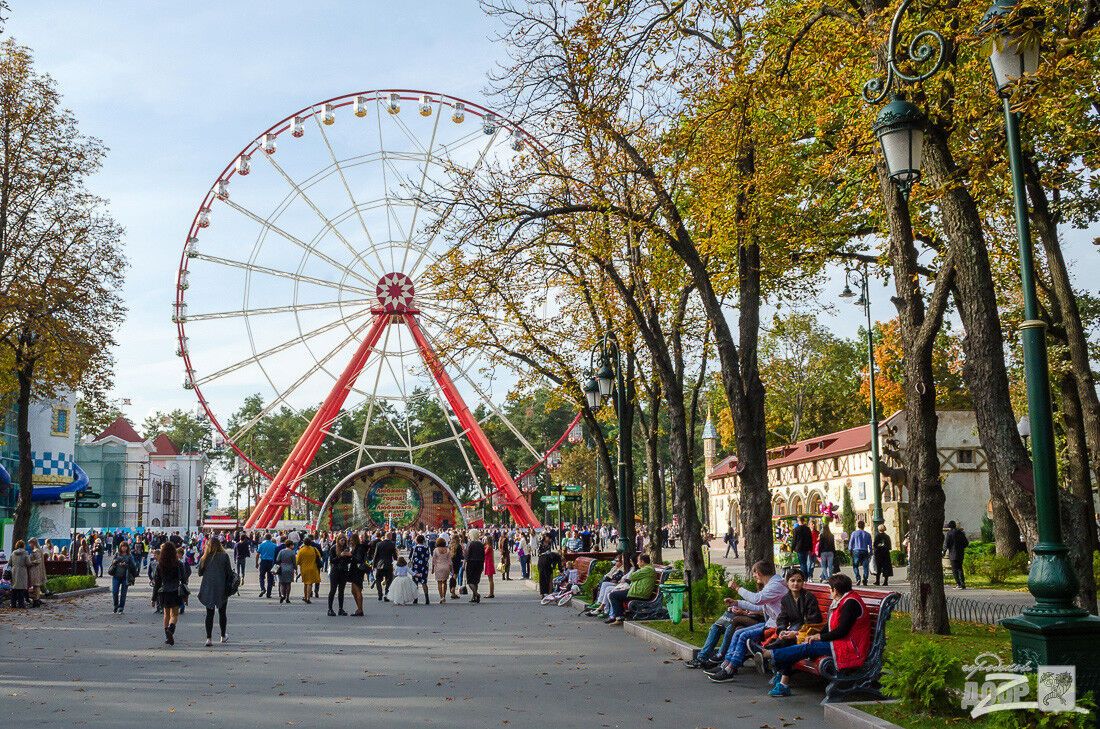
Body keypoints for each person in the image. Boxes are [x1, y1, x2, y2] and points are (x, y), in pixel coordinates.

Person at [760, 574, 872, 697]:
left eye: (830, 588)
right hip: (840, 643)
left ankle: (770, 655)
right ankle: (782, 682)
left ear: (835, 590)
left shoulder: (850, 603)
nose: (830, 591)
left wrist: (819, 637)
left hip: (850, 648)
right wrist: (815, 635)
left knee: (808, 646)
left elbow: (842, 631)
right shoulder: (843, 600)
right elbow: (830, 627)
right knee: (803, 643)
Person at [706, 561, 788, 681]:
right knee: (738, 632)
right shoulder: (773, 584)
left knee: (743, 635)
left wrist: (737, 588)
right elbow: (760, 606)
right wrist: (737, 603)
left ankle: (730, 669)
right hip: (771, 623)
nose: (754, 578)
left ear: (758, 573)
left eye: (754, 575)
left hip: (778, 626)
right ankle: (725, 665)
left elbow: (757, 599)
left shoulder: (776, 585)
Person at [198, 537, 235, 646]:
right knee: (222, 612)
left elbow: (200, 572)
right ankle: (223, 636)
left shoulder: (204, 558)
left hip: (208, 587)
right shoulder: (224, 556)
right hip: (222, 587)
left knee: (209, 613)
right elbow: (229, 573)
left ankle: (209, 638)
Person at [605, 554, 657, 626]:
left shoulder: (647, 569)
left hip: (639, 593)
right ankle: (620, 616)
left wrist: (633, 568)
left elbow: (631, 576)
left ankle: (619, 618)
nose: (637, 563)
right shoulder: (646, 569)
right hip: (636, 592)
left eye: (638, 561)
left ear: (642, 561)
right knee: (615, 594)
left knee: (613, 595)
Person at [152, 542, 182, 645]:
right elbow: (184, 578)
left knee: (166, 614)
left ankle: (167, 635)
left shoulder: (160, 565)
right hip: (175, 591)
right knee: (174, 614)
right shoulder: (178, 564)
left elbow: (157, 582)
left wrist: (153, 597)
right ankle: (171, 629)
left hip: (164, 591)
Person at [108, 541, 139, 614]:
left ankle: (121, 608)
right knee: (115, 592)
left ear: (127, 547)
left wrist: (127, 565)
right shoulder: (117, 554)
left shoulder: (129, 555)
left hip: (125, 576)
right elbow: (113, 562)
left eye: (125, 546)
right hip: (116, 576)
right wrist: (117, 562)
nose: (124, 548)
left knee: (123, 593)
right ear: (120, 547)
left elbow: (133, 566)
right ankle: (115, 605)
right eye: (122, 546)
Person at [327, 535, 352, 616]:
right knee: (333, 590)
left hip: (344, 571)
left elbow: (348, 561)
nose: (343, 542)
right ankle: (330, 609)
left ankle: (341, 609)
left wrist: (349, 556)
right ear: (338, 540)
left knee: (341, 591)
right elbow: (332, 561)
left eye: (344, 540)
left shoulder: (346, 548)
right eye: (341, 540)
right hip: (335, 571)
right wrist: (340, 556)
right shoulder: (333, 548)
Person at [943, 520, 969, 590]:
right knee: (960, 568)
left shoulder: (949, 533)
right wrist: (961, 547)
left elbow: (946, 544)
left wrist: (944, 552)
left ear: (949, 527)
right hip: (960, 553)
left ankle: (958, 584)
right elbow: (966, 543)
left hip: (953, 554)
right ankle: (963, 583)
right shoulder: (961, 533)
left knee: (954, 570)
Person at [373, 532, 398, 602]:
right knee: (388, 580)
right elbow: (395, 555)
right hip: (389, 565)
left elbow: (375, 555)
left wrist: (373, 565)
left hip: (379, 565)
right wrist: (396, 563)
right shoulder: (392, 544)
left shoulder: (379, 544)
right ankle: (386, 595)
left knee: (378, 579)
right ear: (390, 536)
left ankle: (380, 593)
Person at [295, 536, 321, 604]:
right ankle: (308, 598)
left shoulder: (301, 550)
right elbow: (319, 557)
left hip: (304, 569)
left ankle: (305, 596)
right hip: (313, 568)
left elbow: (297, 561)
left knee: (305, 583)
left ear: (304, 543)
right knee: (310, 583)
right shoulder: (314, 549)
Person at [348, 533, 367, 616]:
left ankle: (360, 609)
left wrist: (351, 555)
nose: (350, 541)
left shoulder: (359, 548)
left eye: (352, 540)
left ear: (355, 540)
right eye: (350, 540)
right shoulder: (355, 547)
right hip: (354, 570)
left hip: (358, 571)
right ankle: (359, 608)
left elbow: (359, 559)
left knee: (357, 590)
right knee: (353, 591)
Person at [848, 521, 872, 586]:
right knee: (865, 566)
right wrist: (871, 552)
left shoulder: (854, 533)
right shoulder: (867, 534)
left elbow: (851, 543)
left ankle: (858, 578)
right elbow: (870, 545)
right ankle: (865, 579)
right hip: (864, 551)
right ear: (864, 526)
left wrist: (850, 550)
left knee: (855, 566)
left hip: (856, 551)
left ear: (858, 526)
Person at [409, 534, 431, 605]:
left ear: (417, 540)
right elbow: (428, 557)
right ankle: (427, 599)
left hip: (416, 566)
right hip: (424, 566)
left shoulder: (414, 548)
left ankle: (416, 599)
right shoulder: (426, 548)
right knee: (424, 582)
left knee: (415, 583)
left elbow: (410, 557)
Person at [465, 529, 486, 603]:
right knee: (476, 581)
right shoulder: (480, 544)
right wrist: (483, 564)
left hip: (471, 563)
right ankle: (474, 597)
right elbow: (483, 555)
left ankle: (476, 594)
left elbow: (467, 555)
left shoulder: (470, 543)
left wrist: (464, 564)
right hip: (479, 563)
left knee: (470, 581)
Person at [8, 540, 30, 609]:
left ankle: (13, 604)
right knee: (21, 589)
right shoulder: (25, 553)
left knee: (14, 589)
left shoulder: (13, 553)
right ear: (23, 545)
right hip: (22, 572)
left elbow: (9, 563)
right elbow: (28, 563)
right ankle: (21, 604)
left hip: (14, 571)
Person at [256, 533, 278, 598]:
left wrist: (256, 563)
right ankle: (268, 593)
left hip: (263, 562)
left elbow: (257, 554)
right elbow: (277, 556)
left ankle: (262, 588)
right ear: (271, 538)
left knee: (261, 576)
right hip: (272, 563)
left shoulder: (261, 545)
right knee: (270, 578)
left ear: (265, 538)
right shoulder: (274, 545)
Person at [431, 537, 452, 604]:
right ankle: (444, 596)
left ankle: (441, 597)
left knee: (439, 582)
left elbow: (433, 560)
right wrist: (451, 569)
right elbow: (450, 561)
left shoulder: (436, 550)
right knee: (444, 582)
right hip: (446, 567)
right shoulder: (448, 550)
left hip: (438, 567)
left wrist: (432, 569)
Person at [27, 538, 46, 608]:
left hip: (35, 570)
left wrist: (30, 562)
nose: (29, 545)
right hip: (36, 570)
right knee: (36, 586)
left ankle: (36, 601)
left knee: (36, 586)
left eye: (30, 543)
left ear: (33, 543)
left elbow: (38, 560)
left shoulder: (36, 551)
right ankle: (36, 600)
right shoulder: (38, 550)